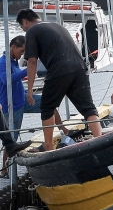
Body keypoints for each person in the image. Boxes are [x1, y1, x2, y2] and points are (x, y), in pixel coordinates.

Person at [19, 9, 102, 151]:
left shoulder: (32, 31)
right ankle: (100, 140)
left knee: (47, 107)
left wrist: (30, 89)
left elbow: (32, 61)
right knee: (87, 107)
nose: (24, 28)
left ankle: (48, 145)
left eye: (22, 26)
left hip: (59, 70)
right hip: (79, 68)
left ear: (25, 21)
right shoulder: (56, 25)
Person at [0, 36, 28, 139]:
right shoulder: (3, 62)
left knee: (47, 104)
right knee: (12, 139)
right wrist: (26, 70)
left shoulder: (14, 61)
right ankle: (9, 156)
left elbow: (17, 82)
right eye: (21, 51)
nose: (22, 54)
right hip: (12, 106)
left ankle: (64, 130)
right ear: (13, 47)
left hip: (23, 99)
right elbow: (6, 80)